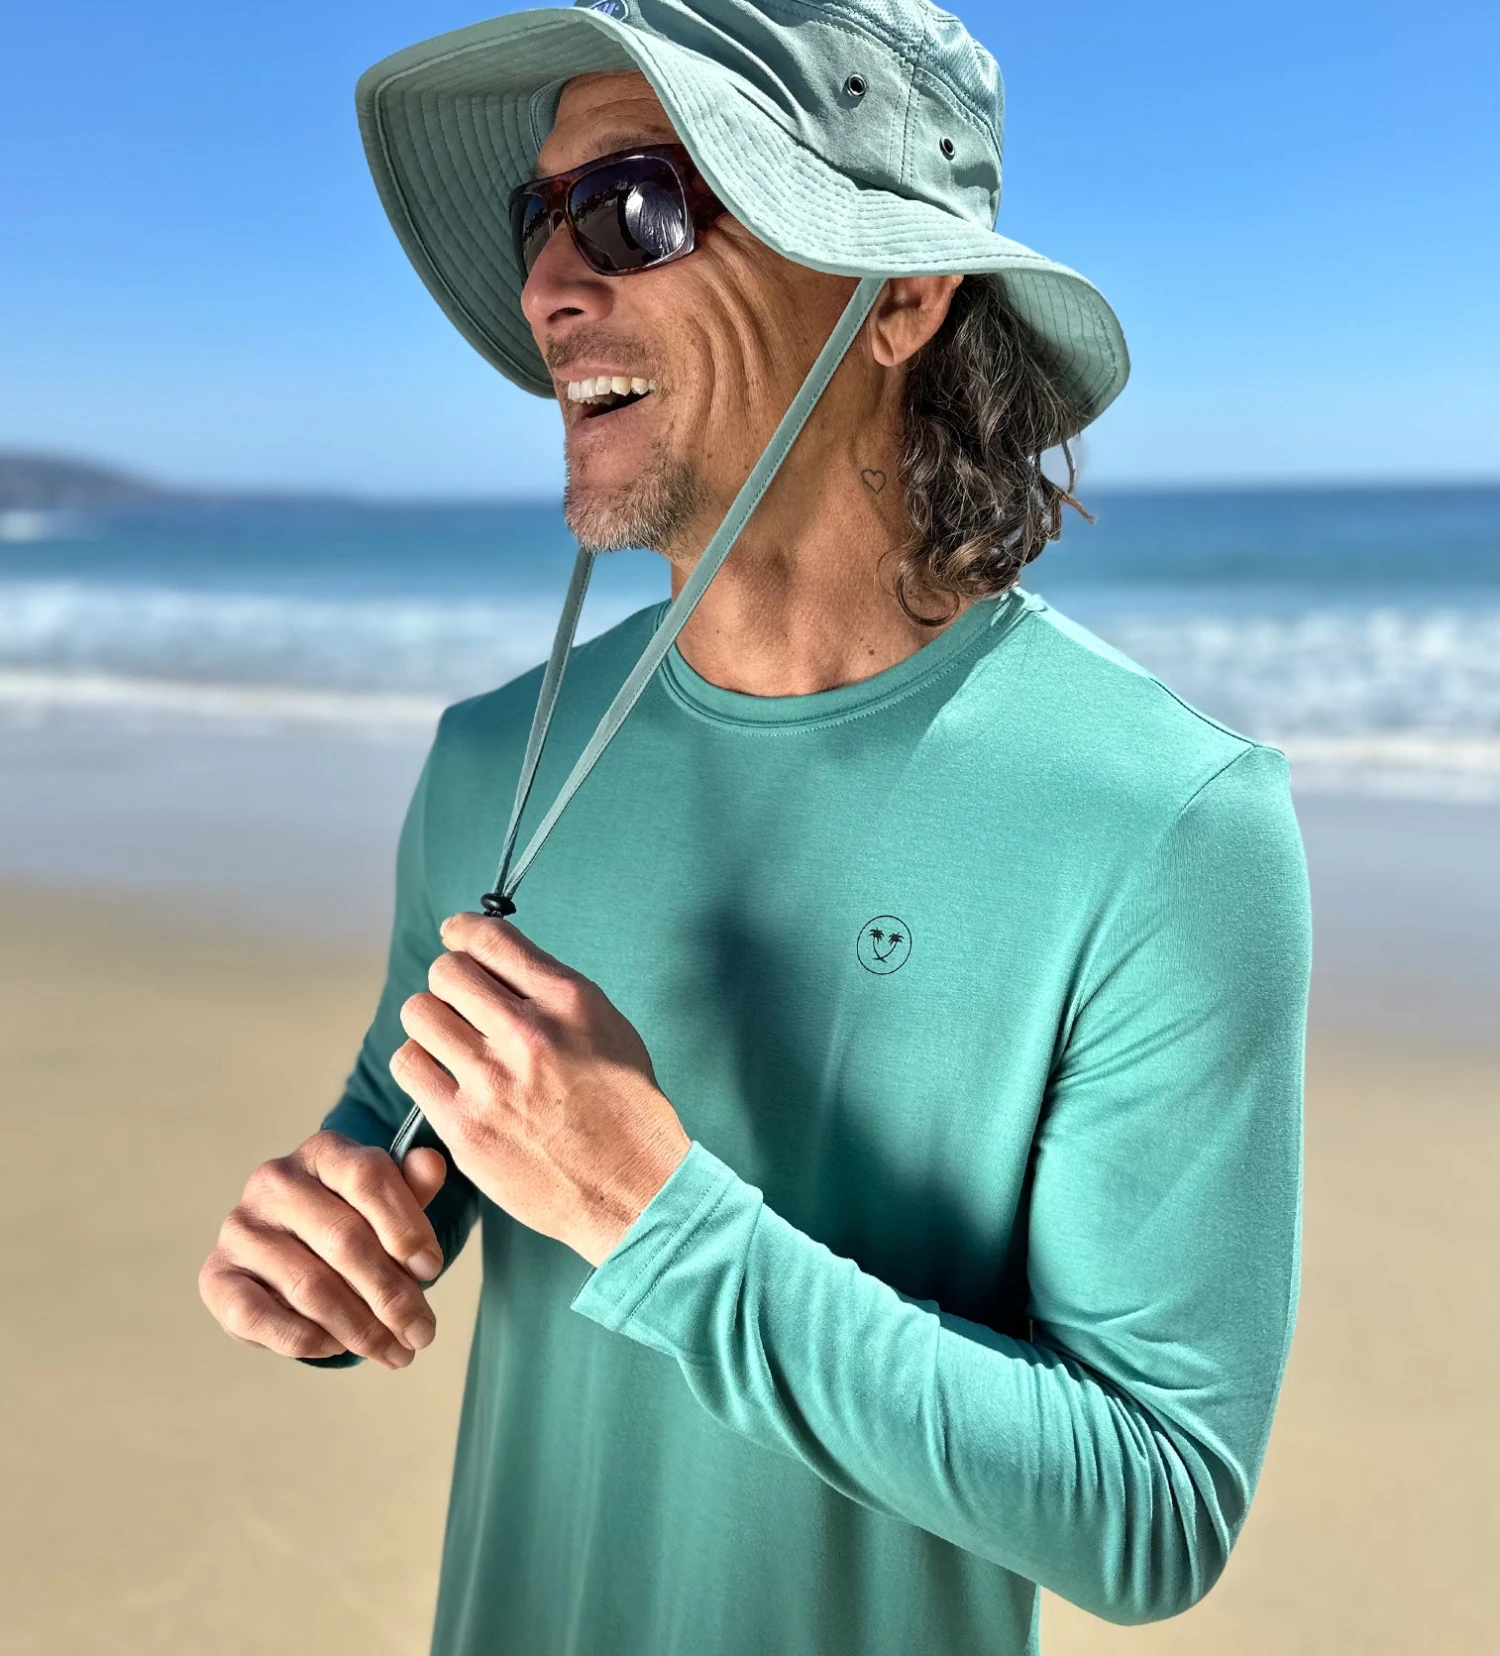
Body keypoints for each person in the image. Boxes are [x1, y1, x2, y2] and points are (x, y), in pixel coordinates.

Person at [199, 1, 1311, 1651]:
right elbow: (399, 1133)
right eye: (537, 217)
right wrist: (330, 1242)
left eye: (634, 205)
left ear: (902, 295)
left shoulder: (1164, 821)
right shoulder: (492, 757)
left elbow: (1154, 1509)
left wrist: (653, 1214)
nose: (547, 287)